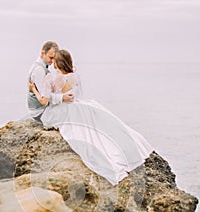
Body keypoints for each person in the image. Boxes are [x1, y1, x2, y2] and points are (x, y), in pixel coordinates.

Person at [29, 49, 154, 186]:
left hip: (60, 110)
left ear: (56, 63)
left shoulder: (51, 78)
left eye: (54, 60)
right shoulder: (75, 76)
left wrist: (33, 89)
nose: (52, 62)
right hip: (77, 106)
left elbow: (44, 101)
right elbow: (77, 96)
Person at [27, 41, 74, 123]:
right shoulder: (39, 70)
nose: (53, 61)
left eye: (54, 58)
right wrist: (62, 98)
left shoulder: (42, 68)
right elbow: (44, 98)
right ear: (42, 53)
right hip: (40, 112)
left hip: (42, 109)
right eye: (50, 57)